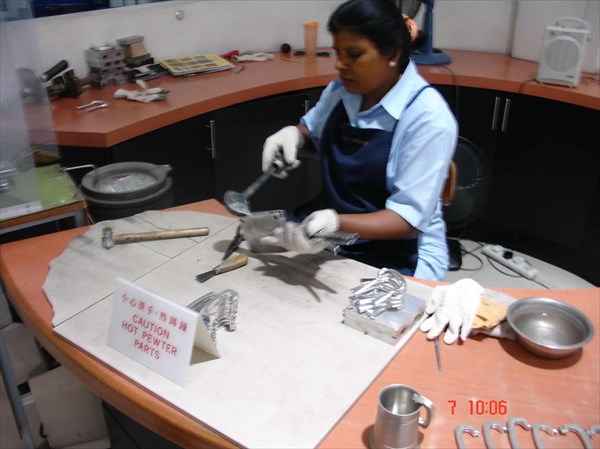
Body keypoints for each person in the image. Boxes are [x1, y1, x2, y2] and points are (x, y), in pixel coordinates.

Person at [261, 0, 457, 280]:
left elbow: (407, 221)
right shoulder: (342, 90)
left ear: (392, 54)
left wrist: (335, 222)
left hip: (398, 249)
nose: (340, 65)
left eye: (354, 54)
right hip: (333, 228)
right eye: (338, 53)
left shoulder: (427, 117)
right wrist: (293, 136)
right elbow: (313, 133)